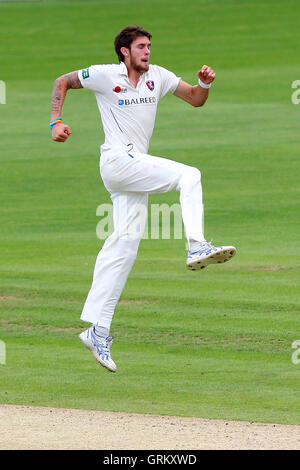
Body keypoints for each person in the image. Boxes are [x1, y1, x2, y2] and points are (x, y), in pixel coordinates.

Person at [50, 25, 236, 372]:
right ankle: (197, 244)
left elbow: (195, 98)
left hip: (132, 170)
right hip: (118, 160)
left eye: (149, 45)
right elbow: (63, 80)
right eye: (141, 46)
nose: (147, 51)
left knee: (124, 245)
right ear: (125, 51)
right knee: (189, 175)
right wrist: (55, 122)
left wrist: (205, 83)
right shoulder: (105, 76)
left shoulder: (158, 77)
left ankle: (97, 330)